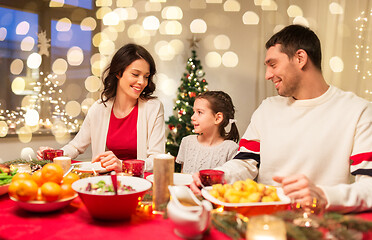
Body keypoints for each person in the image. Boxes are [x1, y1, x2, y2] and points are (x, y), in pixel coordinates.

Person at [191, 25, 372, 213]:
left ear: (300, 58)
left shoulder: (358, 111)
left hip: (321, 221)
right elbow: (245, 162)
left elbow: (370, 187)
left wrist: (324, 195)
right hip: (264, 220)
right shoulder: (267, 109)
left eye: (273, 64)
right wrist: (217, 176)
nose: (268, 75)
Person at [37, 43, 165, 172]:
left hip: (139, 183)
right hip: (104, 184)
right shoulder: (98, 108)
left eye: (146, 77)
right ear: (119, 73)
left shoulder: (153, 108)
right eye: (135, 74)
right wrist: (55, 155)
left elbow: (157, 159)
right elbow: (76, 147)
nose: (142, 82)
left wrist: (124, 166)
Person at [176, 91, 239, 174]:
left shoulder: (231, 149)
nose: (192, 117)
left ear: (218, 118)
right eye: (194, 111)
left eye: (199, 112)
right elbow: (183, 176)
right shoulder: (187, 142)